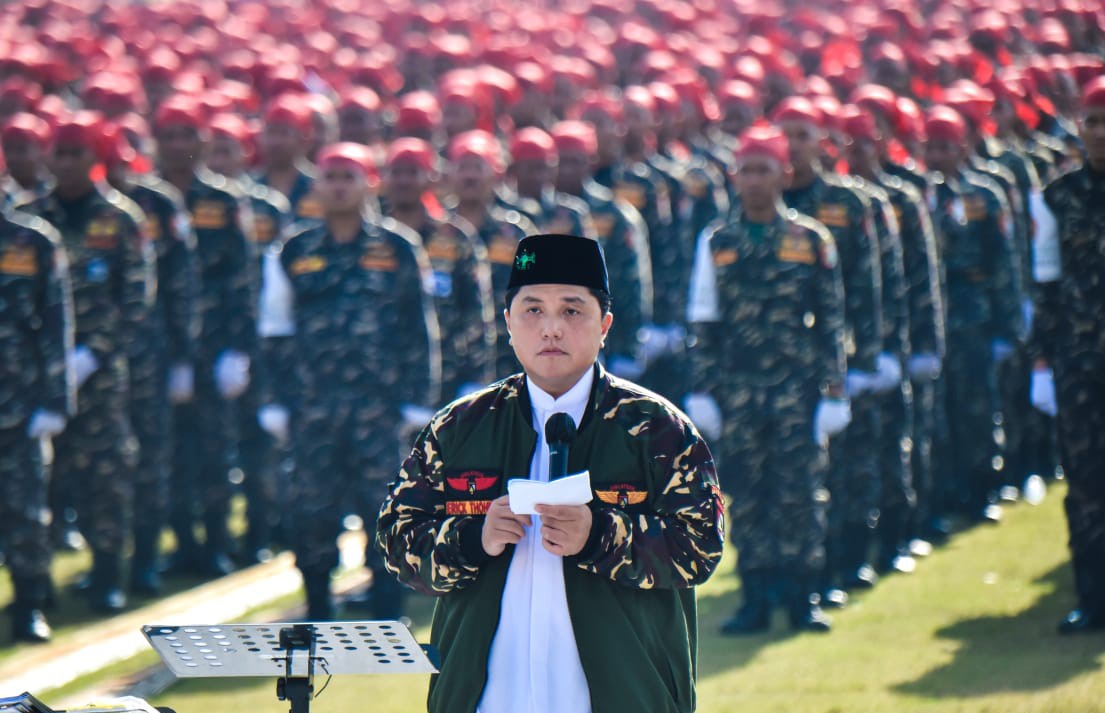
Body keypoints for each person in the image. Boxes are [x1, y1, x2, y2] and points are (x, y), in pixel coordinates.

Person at [377, 233, 723, 713]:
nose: (552, 329)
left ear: (605, 325)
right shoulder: (460, 427)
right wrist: (474, 538)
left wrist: (601, 534)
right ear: (508, 324)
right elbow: (397, 539)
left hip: (623, 690)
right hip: (488, 693)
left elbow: (700, 547)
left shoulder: (655, 428)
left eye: (572, 311)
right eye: (533, 310)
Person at [260, 142, 441, 620]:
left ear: (368, 184)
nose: (339, 186)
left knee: (384, 505)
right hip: (311, 405)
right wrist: (273, 399)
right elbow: (274, 329)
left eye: (348, 177)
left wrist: (418, 399)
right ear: (317, 186)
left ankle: (387, 606)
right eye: (331, 177)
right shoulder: (294, 250)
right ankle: (318, 603)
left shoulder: (399, 247)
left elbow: (419, 329)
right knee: (311, 509)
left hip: (377, 408)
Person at [686, 125, 849, 634]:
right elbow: (704, 321)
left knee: (799, 490)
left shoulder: (811, 238)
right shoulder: (717, 241)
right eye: (746, 169)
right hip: (738, 390)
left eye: (764, 168)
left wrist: (835, 387)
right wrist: (702, 389)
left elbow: (831, 319)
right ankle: (755, 598)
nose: (753, 180)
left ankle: (803, 597)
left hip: (797, 392)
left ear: (785, 172)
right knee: (748, 493)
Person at [20, 112, 154, 612]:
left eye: (78, 152)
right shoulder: (30, 217)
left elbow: (136, 299)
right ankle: (36, 584)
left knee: (105, 477)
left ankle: (107, 576)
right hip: (35, 376)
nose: (67, 162)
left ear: (95, 158)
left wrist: (93, 354)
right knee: (41, 480)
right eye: (60, 152)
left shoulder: (121, 219)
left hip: (101, 377)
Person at [1033, 76, 1105, 633]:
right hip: (1079, 362)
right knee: (1083, 483)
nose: (1101, 133)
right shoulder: (1056, 195)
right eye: (1093, 121)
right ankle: (1091, 597)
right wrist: (1043, 361)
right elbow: (1046, 285)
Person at [0, 203, 74, 640]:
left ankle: (28, 605)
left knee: (25, 511)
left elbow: (55, 323)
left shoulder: (34, 241)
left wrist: (55, 399)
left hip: (18, 405)